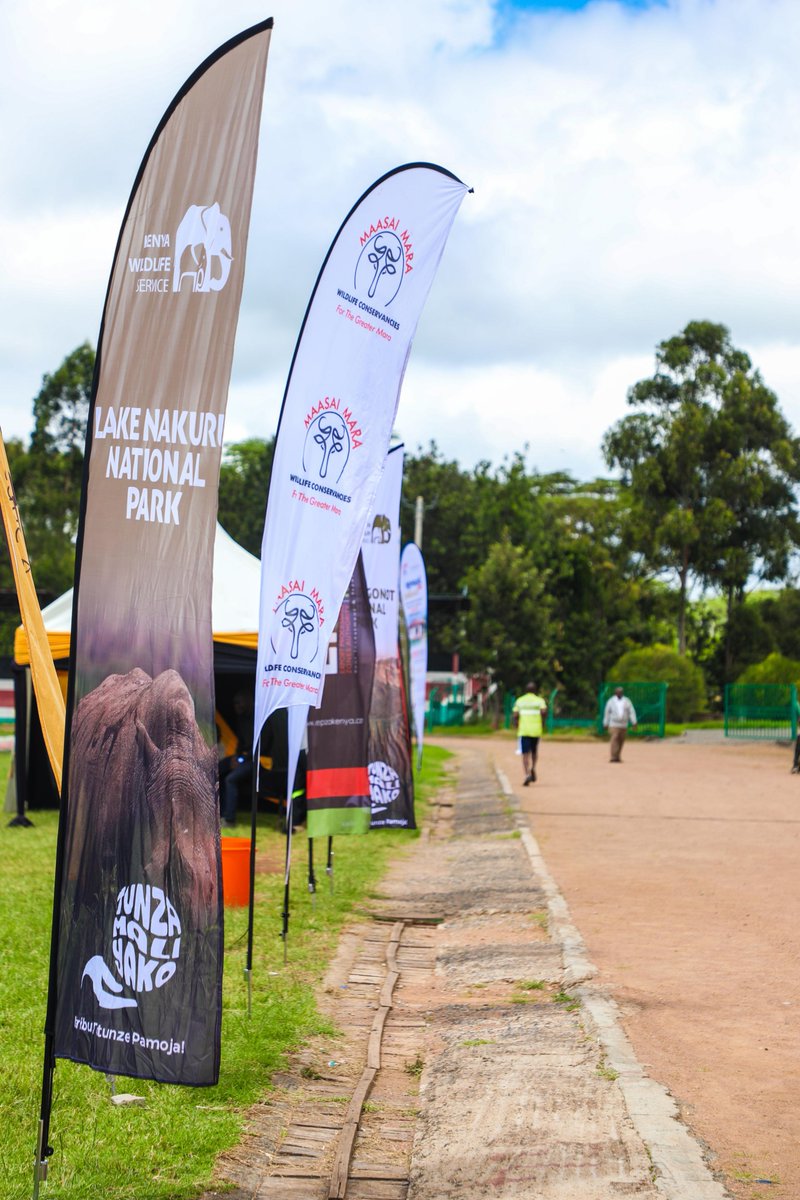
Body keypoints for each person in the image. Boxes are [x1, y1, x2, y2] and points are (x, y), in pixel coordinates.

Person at [218, 690, 254, 826]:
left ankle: (229, 818)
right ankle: (216, 812)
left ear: (246, 702)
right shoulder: (241, 719)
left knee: (230, 779)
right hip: (242, 756)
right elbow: (240, 742)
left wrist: (241, 759)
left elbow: (260, 746)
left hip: (259, 760)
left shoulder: (257, 718)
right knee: (216, 771)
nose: (236, 706)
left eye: (238, 703)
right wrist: (236, 757)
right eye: (234, 703)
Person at [512, 681, 548, 785]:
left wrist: (516, 723)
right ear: (535, 690)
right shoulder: (539, 700)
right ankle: (533, 767)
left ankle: (527, 774)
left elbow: (515, 715)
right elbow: (544, 712)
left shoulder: (520, 701)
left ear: (526, 690)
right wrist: (543, 721)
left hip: (524, 730)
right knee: (534, 751)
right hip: (536, 730)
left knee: (525, 754)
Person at [603, 686, 637, 763]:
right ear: (615, 693)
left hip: (623, 724)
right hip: (613, 724)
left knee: (621, 740)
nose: (619, 693)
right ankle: (613, 757)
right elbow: (607, 712)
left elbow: (631, 711)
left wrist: (634, 722)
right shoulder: (611, 701)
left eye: (621, 692)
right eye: (618, 692)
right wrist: (606, 723)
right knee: (614, 739)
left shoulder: (627, 701)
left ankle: (617, 756)